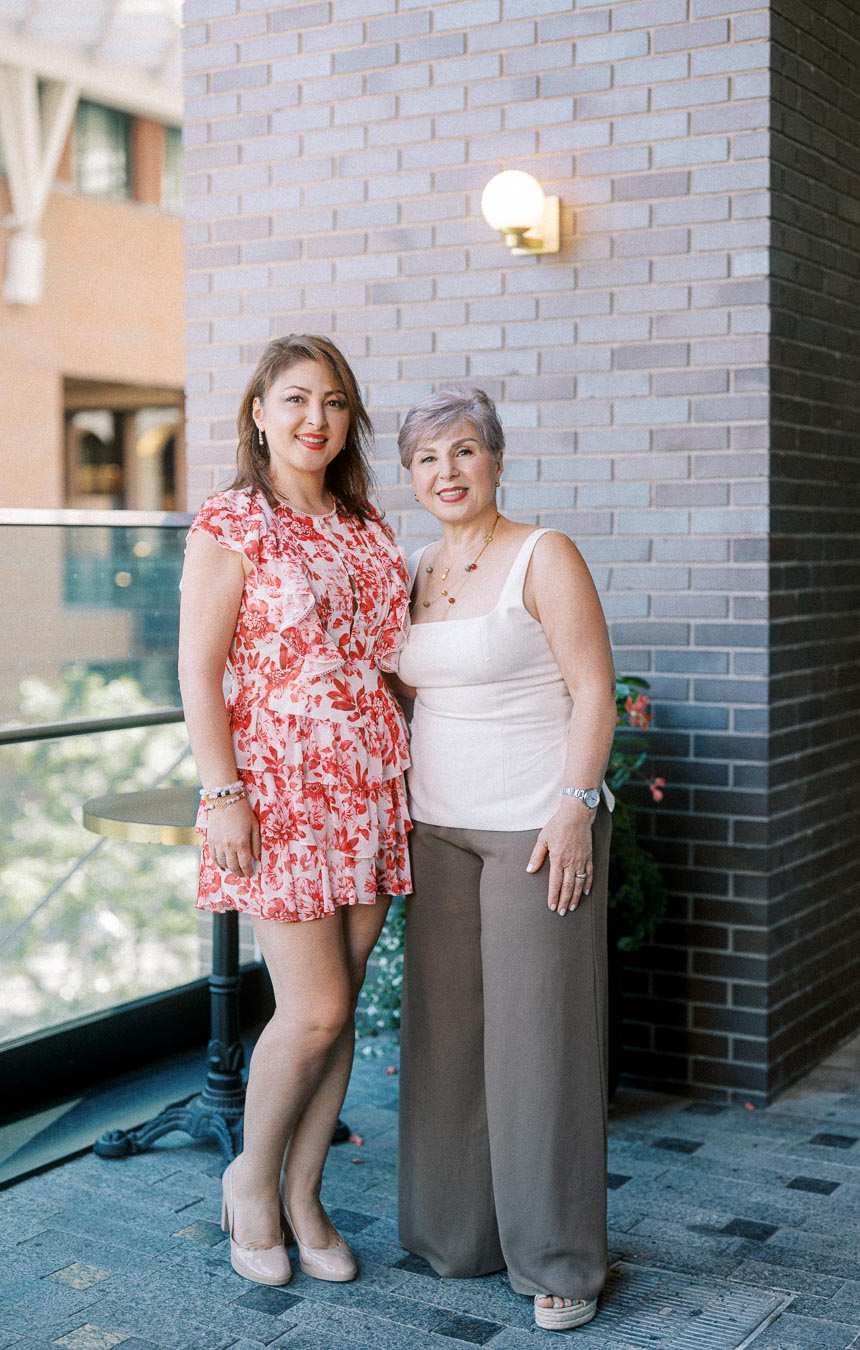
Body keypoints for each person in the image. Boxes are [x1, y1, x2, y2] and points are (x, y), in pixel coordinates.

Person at [178, 334, 412, 1288]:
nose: (316, 419)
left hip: (370, 781)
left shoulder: (367, 525)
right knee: (311, 1009)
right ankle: (248, 1178)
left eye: (335, 403)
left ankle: (306, 1192)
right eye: (296, 400)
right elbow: (197, 671)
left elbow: (397, 664)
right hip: (279, 785)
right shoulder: (232, 522)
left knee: (339, 1005)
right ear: (259, 414)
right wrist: (224, 791)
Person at [394, 387, 617, 1333]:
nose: (447, 473)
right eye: (426, 459)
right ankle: (456, 1237)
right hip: (437, 829)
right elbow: (406, 701)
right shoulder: (412, 569)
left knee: (540, 1048)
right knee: (445, 1044)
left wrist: (574, 810)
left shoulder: (544, 553)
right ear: (410, 477)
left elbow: (594, 687)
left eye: (464, 452)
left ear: (496, 459)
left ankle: (558, 1260)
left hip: (536, 832)